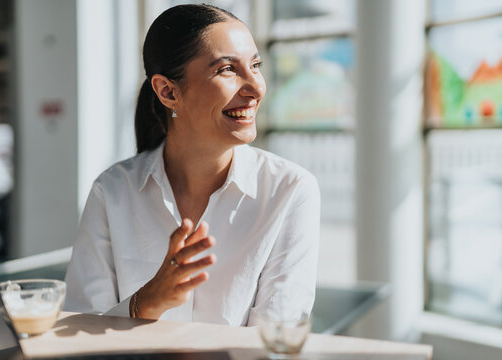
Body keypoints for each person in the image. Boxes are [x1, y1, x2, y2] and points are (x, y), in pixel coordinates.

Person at [65, 4, 320, 326]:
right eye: (227, 69)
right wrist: (145, 303)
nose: (255, 88)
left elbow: (277, 338)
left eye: (255, 65)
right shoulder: (113, 190)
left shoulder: (289, 189)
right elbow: (79, 326)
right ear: (168, 91)